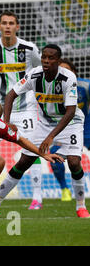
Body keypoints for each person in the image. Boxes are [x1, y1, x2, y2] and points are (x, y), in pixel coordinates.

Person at [0, 44, 90, 218]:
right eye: (44, 57)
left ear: (58, 60)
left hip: (70, 123)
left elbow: (71, 111)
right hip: (45, 123)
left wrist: (50, 137)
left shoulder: (68, 78)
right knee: (24, 161)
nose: (46, 61)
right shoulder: (34, 74)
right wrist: (7, 122)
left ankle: (81, 207)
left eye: (51, 58)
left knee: (73, 162)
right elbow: (11, 95)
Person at [0, 10, 44, 210]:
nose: (7, 26)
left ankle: (37, 197)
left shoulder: (29, 48)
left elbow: (40, 72)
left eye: (11, 23)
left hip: (26, 107)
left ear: (17, 27)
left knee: (31, 150)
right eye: (4, 23)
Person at [47, 58, 90, 201]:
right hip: (64, 129)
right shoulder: (52, 86)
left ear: (74, 73)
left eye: (67, 70)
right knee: (55, 158)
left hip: (86, 128)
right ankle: (64, 189)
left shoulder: (85, 85)